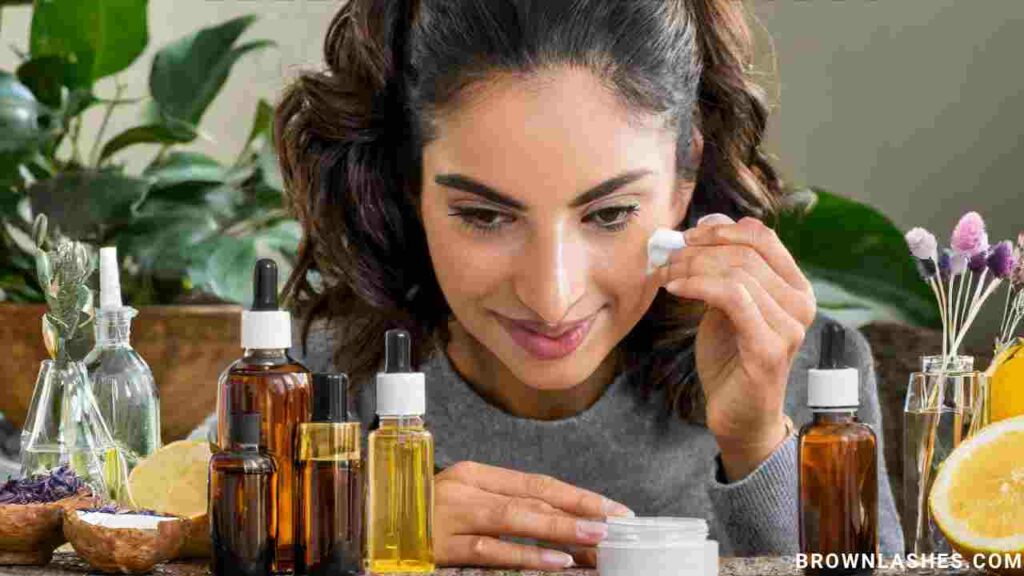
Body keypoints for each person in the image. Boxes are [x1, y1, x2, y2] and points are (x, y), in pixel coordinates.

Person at [196, 0, 904, 569]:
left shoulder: (811, 375)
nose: (551, 294)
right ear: (407, 184)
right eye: (483, 215)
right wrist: (349, 526)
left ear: (686, 172)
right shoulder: (309, 382)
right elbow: (144, 520)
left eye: (610, 213)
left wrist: (756, 444)